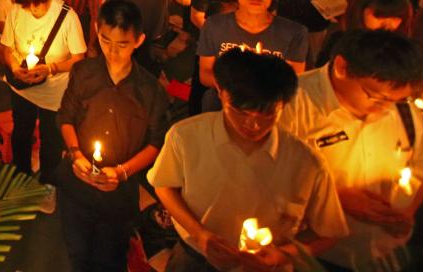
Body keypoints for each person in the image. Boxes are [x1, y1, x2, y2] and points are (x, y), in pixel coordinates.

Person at [148, 48, 348, 271]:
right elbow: (164, 185)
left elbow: (329, 232)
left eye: (267, 114)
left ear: (283, 104)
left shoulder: (306, 162)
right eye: (240, 112)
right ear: (221, 92)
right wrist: (200, 234)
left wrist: (282, 254)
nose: (253, 125)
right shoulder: (186, 137)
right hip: (195, 259)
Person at [279, 30, 423, 271]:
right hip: (317, 256)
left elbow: (420, 169)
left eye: (396, 100)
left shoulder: (403, 109)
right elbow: (262, 182)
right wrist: (334, 199)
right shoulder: (288, 104)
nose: (385, 109)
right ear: (341, 67)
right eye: (376, 97)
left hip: (385, 252)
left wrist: (406, 213)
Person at [58, 0, 169, 272]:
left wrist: (121, 172)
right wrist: (76, 155)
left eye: (122, 44)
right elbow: (65, 117)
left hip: (119, 195)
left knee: (110, 259)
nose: (112, 51)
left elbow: (157, 142)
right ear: (97, 30)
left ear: (139, 40)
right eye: (106, 41)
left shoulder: (151, 90)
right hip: (76, 187)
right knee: (77, 254)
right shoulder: (83, 73)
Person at [0, 0, 87, 213]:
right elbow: (7, 47)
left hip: (54, 93)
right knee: (21, 132)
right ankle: (21, 177)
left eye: (38, 4)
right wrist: (15, 66)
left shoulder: (67, 16)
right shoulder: (17, 11)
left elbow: (79, 57)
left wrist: (51, 68)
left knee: (51, 140)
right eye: (28, 6)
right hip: (23, 89)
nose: (33, 10)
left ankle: (48, 186)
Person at [197, 0, 308, 111]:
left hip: (270, 104)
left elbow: (294, 78)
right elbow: (205, 73)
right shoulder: (214, 26)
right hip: (226, 101)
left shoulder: (294, 33)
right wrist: (238, 89)